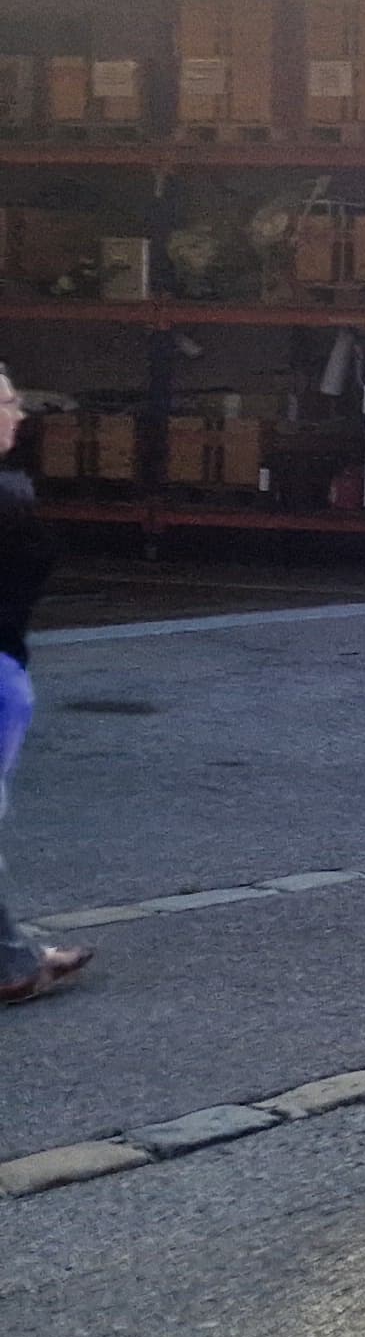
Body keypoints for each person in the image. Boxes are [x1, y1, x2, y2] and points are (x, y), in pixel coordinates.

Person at [0, 369, 84, 1006]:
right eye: (9, 402)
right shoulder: (9, 495)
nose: (21, 413)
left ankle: (15, 956)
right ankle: (13, 963)